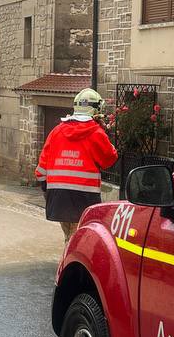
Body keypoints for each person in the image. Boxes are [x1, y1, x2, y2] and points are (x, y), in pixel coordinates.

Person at [35, 88, 118, 243]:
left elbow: (41, 169)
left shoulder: (56, 131)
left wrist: (46, 189)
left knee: (69, 237)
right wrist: (103, 132)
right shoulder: (96, 133)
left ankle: (68, 254)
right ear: (97, 110)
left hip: (58, 195)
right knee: (79, 240)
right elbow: (109, 159)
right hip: (84, 196)